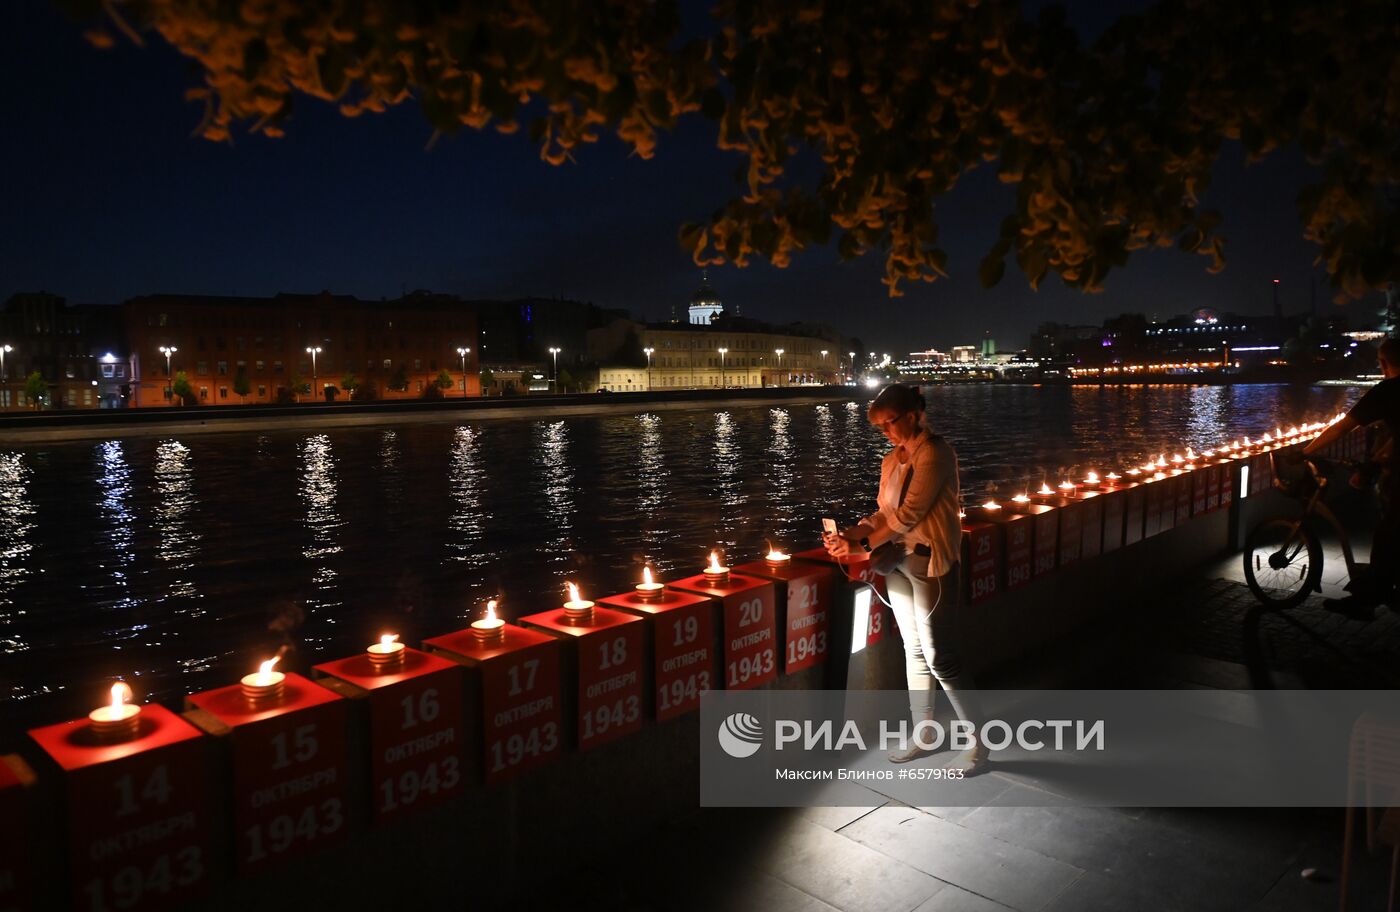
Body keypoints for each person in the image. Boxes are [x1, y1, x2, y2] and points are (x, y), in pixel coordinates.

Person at [823, 383, 988, 772]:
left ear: (914, 414)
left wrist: (861, 550)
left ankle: (980, 743)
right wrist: (851, 533)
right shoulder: (890, 460)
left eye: (890, 423)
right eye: (880, 427)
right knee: (913, 650)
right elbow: (885, 513)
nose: (886, 432)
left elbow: (910, 514)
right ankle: (925, 732)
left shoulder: (935, 453)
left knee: (941, 658)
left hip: (931, 564)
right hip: (898, 562)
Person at [1304, 338, 1400, 616]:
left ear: (1383, 363)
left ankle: (1365, 601)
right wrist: (1378, 458)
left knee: (1386, 536)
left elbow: (1342, 428)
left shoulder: (1388, 390)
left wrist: (1305, 451)